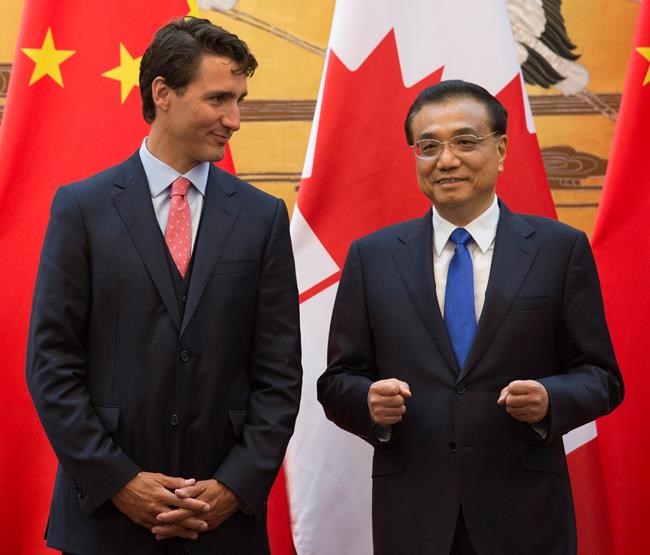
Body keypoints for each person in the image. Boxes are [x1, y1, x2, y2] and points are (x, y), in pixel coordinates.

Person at [26, 17, 301, 555]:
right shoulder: (81, 208)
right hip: (104, 520)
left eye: (240, 100)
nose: (235, 119)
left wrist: (234, 487)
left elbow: (279, 374)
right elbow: (51, 363)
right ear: (163, 93)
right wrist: (118, 482)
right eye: (219, 98)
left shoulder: (262, 217)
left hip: (222, 524)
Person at [317, 80, 623, 554]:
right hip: (414, 516)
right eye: (429, 146)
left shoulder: (558, 250)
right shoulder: (372, 258)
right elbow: (338, 381)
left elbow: (602, 377)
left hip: (525, 515)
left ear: (500, 149)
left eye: (465, 141)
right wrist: (367, 402)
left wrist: (549, 398)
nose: (446, 160)